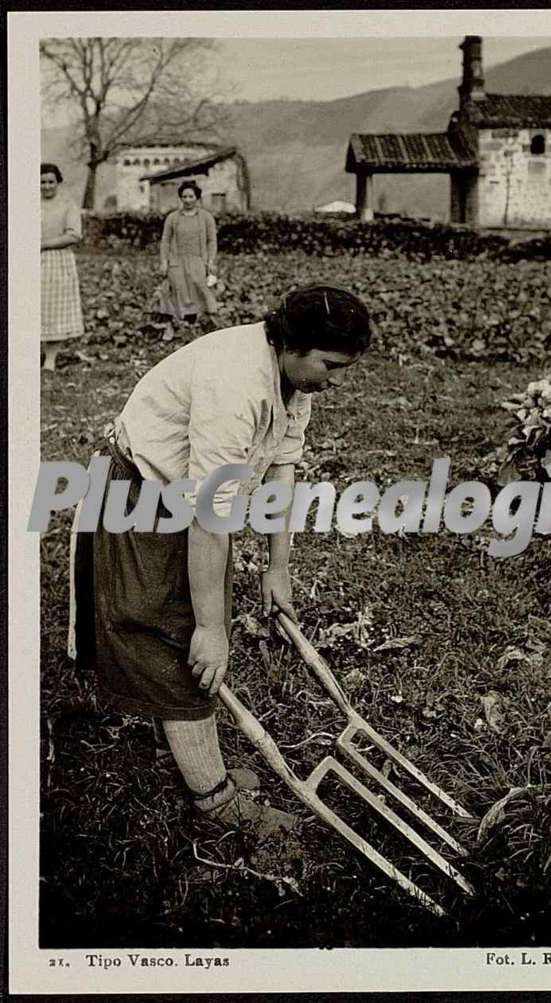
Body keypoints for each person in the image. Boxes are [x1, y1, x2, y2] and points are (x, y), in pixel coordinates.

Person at [71, 285, 372, 835]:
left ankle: (183, 752)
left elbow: (283, 466)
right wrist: (211, 628)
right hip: (137, 493)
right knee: (179, 634)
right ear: (295, 345)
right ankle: (214, 801)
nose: (334, 379)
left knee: (194, 617)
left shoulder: (292, 379)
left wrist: (276, 566)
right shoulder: (236, 385)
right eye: (330, 365)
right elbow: (209, 516)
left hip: (183, 498)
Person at [151, 181, 219, 340]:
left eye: (191, 196)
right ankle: (172, 326)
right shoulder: (173, 218)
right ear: (180, 198)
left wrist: (211, 260)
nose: (188, 200)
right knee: (177, 290)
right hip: (176, 261)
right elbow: (165, 241)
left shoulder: (206, 218)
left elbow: (212, 241)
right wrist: (164, 261)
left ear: (197, 198)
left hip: (197, 260)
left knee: (198, 289)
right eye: (184, 196)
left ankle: (195, 325)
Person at [40, 163, 84, 371]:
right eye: (42, 182)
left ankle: (50, 358)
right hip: (29, 259)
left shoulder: (67, 205)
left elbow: (74, 234)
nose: (46, 186)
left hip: (57, 260)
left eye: (50, 182)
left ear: (58, 183)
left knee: (54, 310)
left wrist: (42, 244)